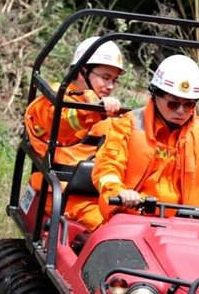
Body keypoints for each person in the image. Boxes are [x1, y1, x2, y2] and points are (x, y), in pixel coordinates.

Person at [92, 54, 199, 224]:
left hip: (190, 226)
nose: (181, 111)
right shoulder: (127, 125)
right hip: (134, 221)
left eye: (189, 105)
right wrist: (119, 191)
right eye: (173, 104)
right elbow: (107, 167)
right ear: (155, 95)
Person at [24, 37, 125, 230]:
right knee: (112, 232)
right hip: (61, 194)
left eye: (114, 80)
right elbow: (60, 123)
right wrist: (93, 108)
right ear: (82, 71)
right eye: (105, 77)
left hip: (98, 195)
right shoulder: (52, 100)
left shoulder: (102, 111)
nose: (111, 86)